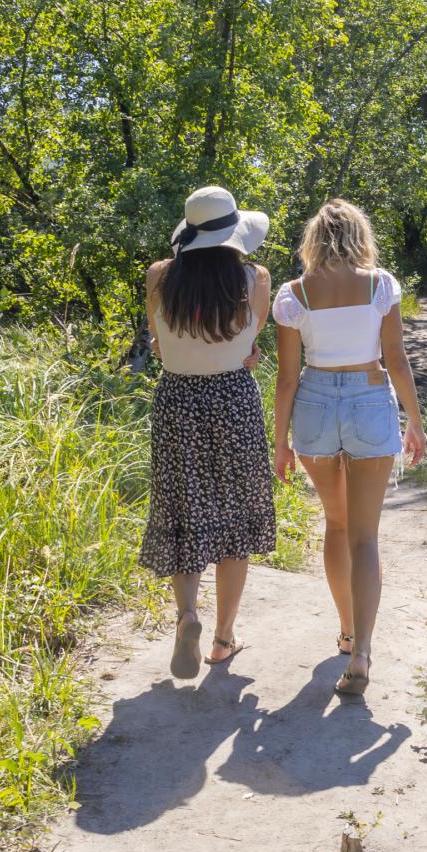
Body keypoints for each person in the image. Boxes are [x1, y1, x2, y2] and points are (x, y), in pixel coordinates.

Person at [272, 199, 427, 697]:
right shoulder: (381, 285)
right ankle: (361, 652)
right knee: (365, 537)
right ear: (360, 235)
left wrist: (280, 442)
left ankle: (345, 630)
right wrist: (415, 421)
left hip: (314, 404)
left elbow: (286, 379)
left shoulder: (293, 294)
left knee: (335, 525)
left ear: (313, 239)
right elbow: (396, 361)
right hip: (368, 400)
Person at [140, 185, 276, 678]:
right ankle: (222, 638)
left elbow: (159, 345)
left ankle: (187, 615)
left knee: (184, 509)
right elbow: (247, 342)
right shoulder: (254, 278)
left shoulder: (160, 276)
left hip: (178, 401)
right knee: (235, 520)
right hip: (233, 400)